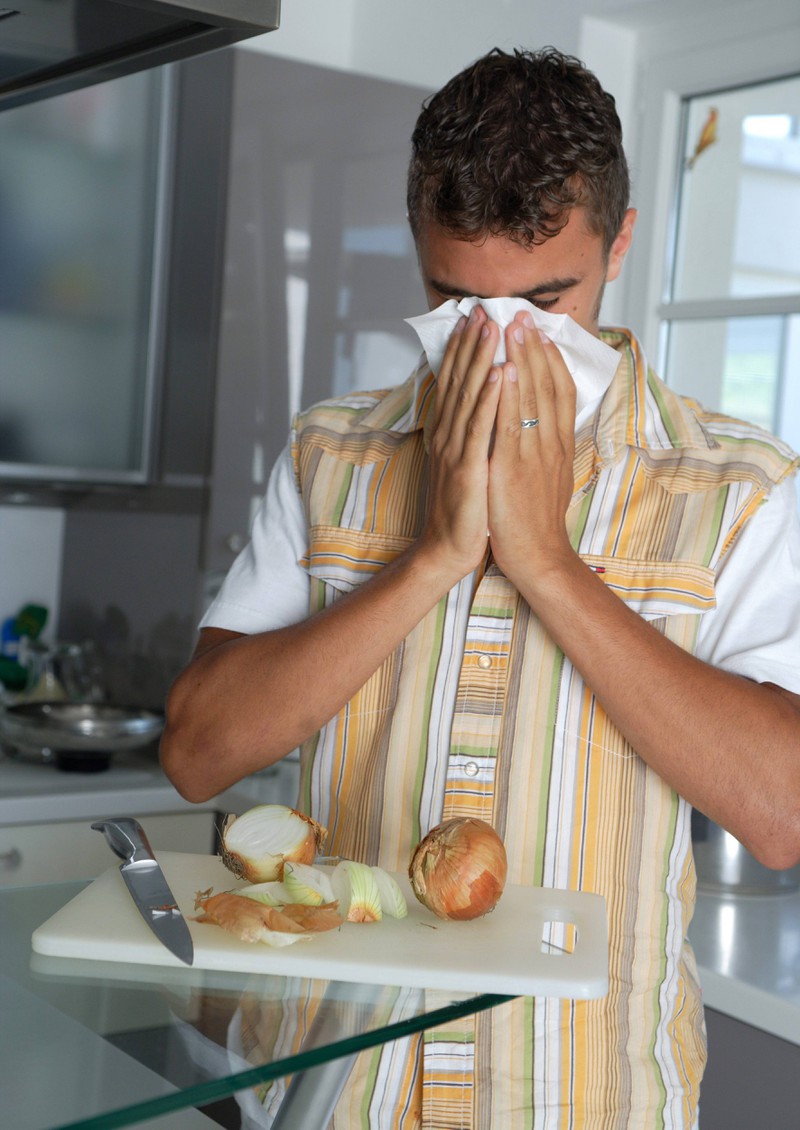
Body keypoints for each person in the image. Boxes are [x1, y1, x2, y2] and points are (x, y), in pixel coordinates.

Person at [161, 46, 800, 1129]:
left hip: (585, 1099)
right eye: (456, 300)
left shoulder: (738, 484)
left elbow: (780, 814)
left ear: (620, 243)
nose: (501, 340)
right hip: (327, 1090)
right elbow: (195, 751)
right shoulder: (331, 456)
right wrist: (432, 557)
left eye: (547, 298)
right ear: (419, 253)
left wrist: (544, 562)